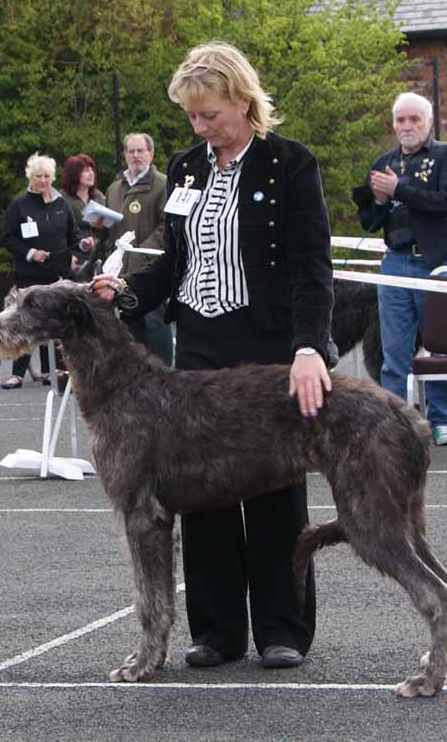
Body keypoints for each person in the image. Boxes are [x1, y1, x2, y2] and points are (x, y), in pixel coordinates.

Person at [92, 41, 334, 669]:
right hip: (197, 347)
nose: (200, 128)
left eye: (209, 115)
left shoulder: (290, 164)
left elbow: (312, 267)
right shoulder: (188, 168)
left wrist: (309, 347)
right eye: (192, 117)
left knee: (276, 491)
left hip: (267, 350)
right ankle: (216, 631)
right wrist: (123, 296)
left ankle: (282, 629)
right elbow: (174, 262)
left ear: (243, 101)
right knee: (200, 494)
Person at [354, 91, 447, 447]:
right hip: (395, 263)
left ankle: (441, 419)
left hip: (436, 263)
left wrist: (400, 188)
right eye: (400, 119)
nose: (407, 126)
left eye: (414, 119)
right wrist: (381, 201)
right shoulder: (384, 161)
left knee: (439, 348)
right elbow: (369, 222)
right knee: (393, 351)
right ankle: (393, 422)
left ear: (428, 123)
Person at [0, 152, 80, 389]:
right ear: (30, 177)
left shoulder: (61, 203)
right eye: (38, 176)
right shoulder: (19, 204)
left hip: (56, 275)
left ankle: (51, 371)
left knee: (53, 321)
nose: (43, 181)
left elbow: (73, 236)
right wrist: (30, 253)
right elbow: (7, 238)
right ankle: (17, 373)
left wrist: (81, 247)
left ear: (52, 178)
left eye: (46, 176)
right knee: (24, 321)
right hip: (29, 274)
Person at [105, 133, 173, 366]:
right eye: (131, 151)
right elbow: (112, 229)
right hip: (120, 271)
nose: (135, 156)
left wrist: (141, 252)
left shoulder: (164, 184)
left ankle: (166, 376)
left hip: (151, 267)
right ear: (125, 155)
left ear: (151, 154)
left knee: (155, 324)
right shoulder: (114, 188)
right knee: (128, 323)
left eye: (140, 151)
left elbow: (168, 224)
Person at [60, 153, 106, 267]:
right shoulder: (62, 198)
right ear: (74, 174)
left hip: (99, 258)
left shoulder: (98, 196)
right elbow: (58, 233)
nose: (91, 174)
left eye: (92, 170)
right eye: (86, 170)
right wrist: (67, 256)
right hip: (74, 260)